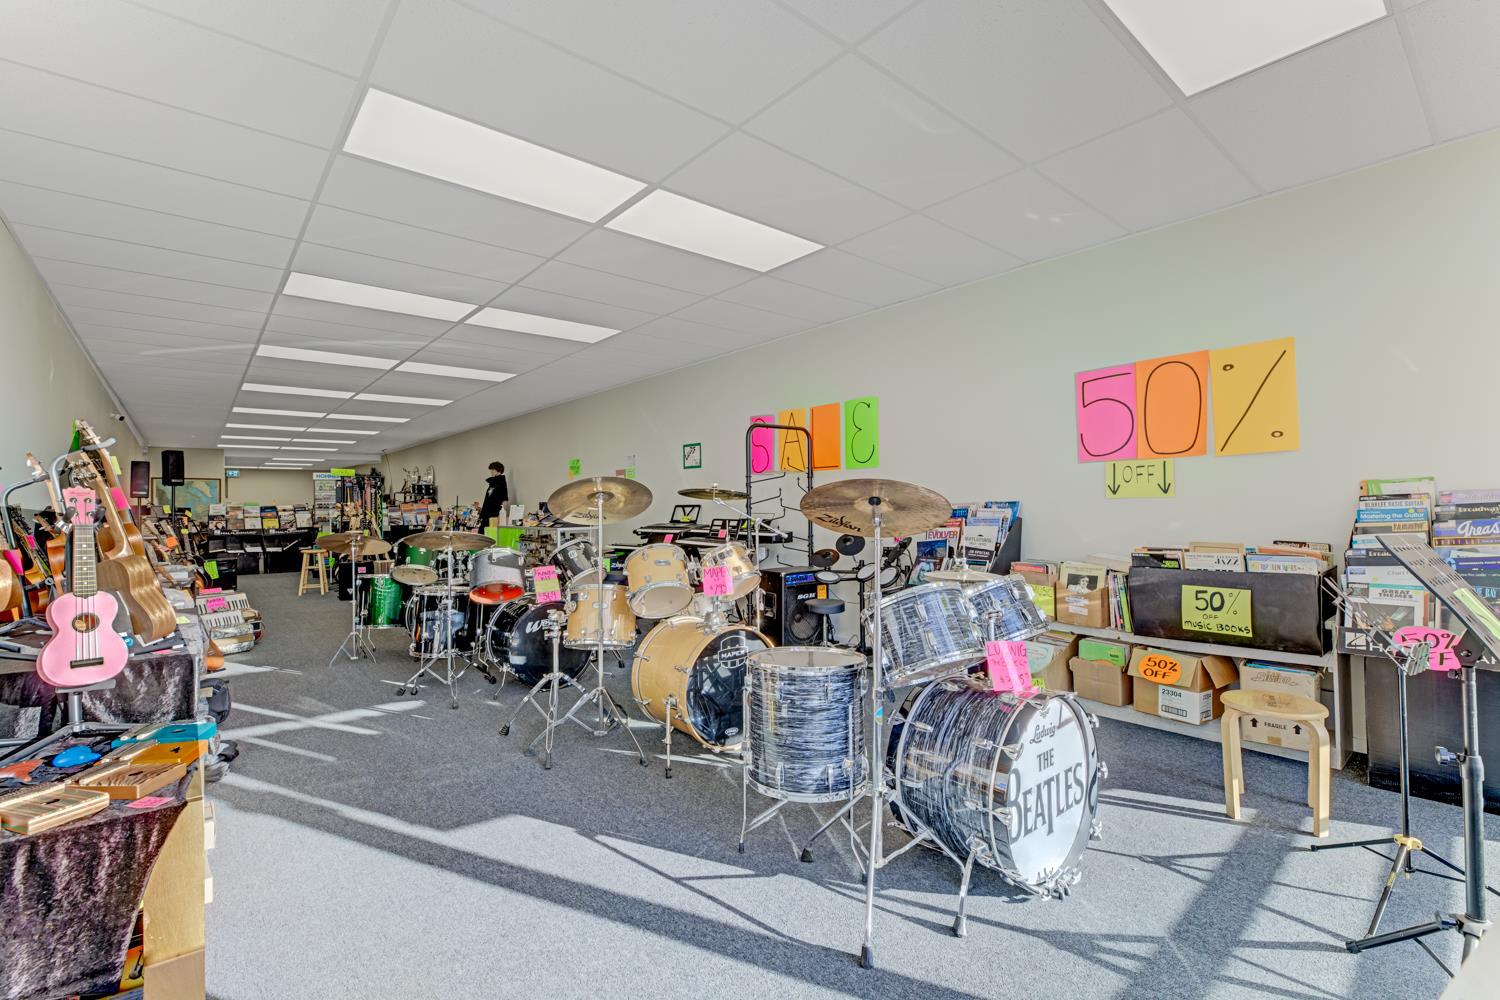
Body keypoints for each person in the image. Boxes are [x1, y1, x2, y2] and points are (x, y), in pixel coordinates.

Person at [478, 461, 509, 526]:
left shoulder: (501, 482)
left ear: (498, 470)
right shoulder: (492, 483)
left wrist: (502, 516)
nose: (491, 471)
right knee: (482, 530)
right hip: (487, 513)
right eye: (491, 469)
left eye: (493, 469)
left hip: (494, 514)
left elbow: (505, 499)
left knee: (490, 531)